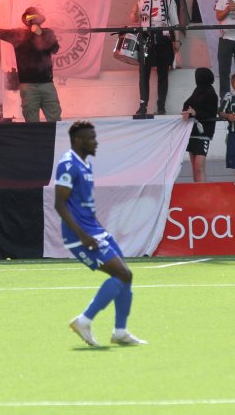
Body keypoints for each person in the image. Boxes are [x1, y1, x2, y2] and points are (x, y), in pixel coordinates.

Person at [55, 120, 146, 347]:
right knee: (121, 274)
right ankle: (84, 320)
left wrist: (98, 229)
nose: (96, 142)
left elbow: (83, 204)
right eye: (91, 138)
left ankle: (120, 332)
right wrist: (82, 235)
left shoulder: (85, 165)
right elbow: (59, 204)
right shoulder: (68, 165)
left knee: (126, 275)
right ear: (78, 140)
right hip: (79, 235)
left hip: (95, 231)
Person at [0, 6, 61, 122]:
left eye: (34, 17)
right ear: (26, 21)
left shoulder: (47, 33)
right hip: (28, 86)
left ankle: (55, 135)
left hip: (47, 84)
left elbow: (55, 49)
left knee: (55, 120)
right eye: (29, 18)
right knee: (31, 121)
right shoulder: (18, 35)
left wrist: (40, 34)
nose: (32, 21)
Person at [130, 0, 182, 117]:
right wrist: (134, 12)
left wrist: (177, 41)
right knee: (144, 74)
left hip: (163, 38)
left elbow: (175, 23)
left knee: (163, 74)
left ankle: (161, 106)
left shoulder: (169, 0)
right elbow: (135, 20)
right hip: (146, 37)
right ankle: (143, 106)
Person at [180, 67, 218, 184]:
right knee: (194, 166)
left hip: (203, 133)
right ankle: (196, 188)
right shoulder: (197, 90)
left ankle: (202, 190)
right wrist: (187, 111)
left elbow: (211, 113)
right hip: (193, 132)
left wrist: (196, 113)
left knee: (199, 166)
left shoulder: (211, 93)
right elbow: (187, 103)